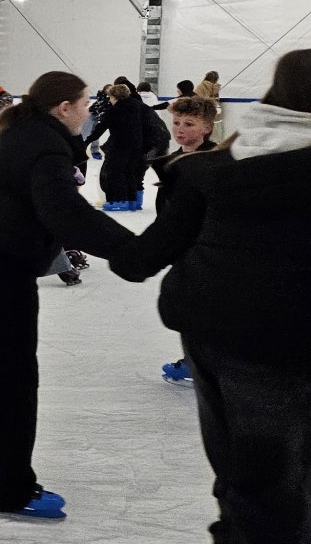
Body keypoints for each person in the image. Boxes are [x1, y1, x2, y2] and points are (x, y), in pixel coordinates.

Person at [109, 50, 311, 543]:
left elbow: (141, 258)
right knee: (278, 477)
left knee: (241, 463)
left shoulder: (213, 166)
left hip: (210, 329)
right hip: (285, 340)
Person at [0, 71, 133, 520]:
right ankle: (9, 489)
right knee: (13, 379)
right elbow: (69, 215)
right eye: (85, 102)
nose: (89, 111)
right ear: (63, 108)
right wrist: (135, 251)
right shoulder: (44, 146)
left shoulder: (16, 135)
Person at [144, 96, 219, 385]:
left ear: (207, 128)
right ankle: (196, 361)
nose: (180, 129)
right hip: (183, 248)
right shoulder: (173, 161)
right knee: (191, 306)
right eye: (176, 123)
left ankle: (199, 363)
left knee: (204, 307)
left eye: (189, 124)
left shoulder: (215, 160)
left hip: (207, 246)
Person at [87, 84, 150, 211]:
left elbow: (101, 128)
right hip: (137, 145)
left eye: (110, 97)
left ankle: (119, 201)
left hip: (120, 145)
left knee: (116, 172)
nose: (109, 99)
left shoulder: (115, 110)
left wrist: (87, 141)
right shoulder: (138, 106)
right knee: (130, 172)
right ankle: (133, 202)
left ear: (114, 97)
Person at [195, 70, 223, 136]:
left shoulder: (200, 86)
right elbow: (216, 99)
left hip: (202, 111)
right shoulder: (216, 87)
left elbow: (196, 98)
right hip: (214, 111)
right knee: (215, 128)